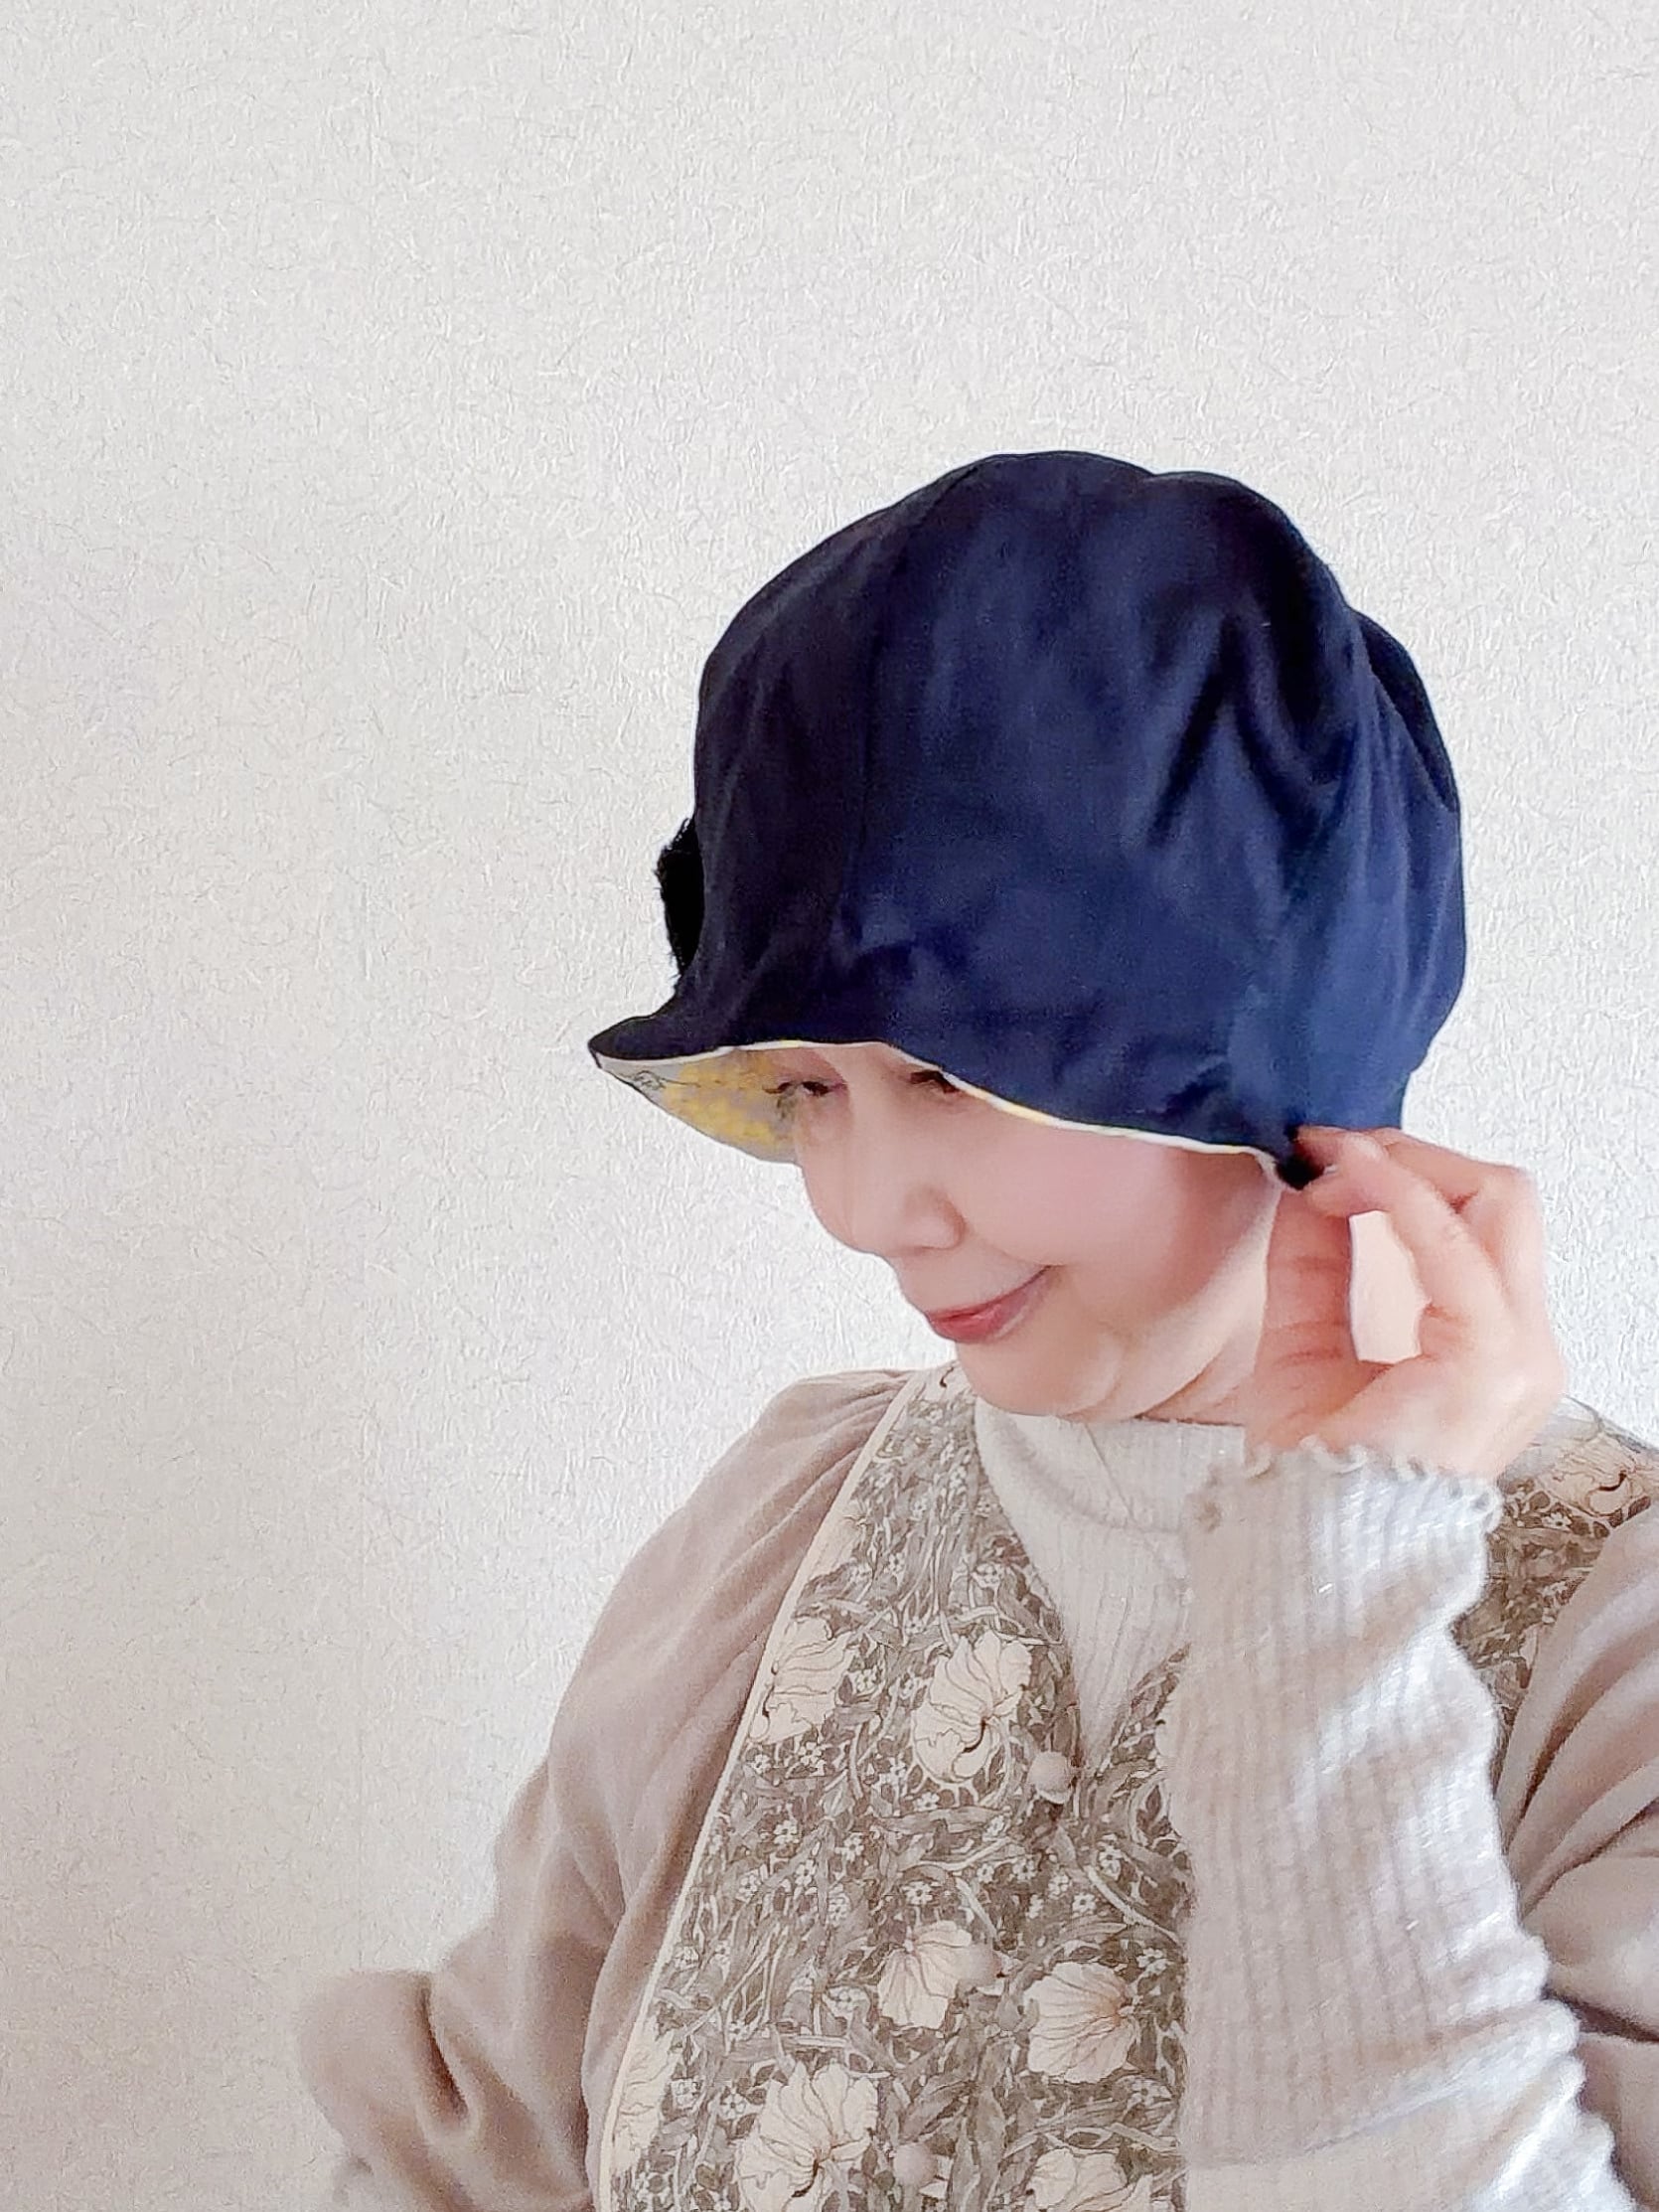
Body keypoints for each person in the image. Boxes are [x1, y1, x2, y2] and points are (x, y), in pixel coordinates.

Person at [296, 451, 1659, 2211]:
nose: (862, 1208)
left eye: (947, 1075)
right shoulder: (786, 1521)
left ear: (1280, 1035)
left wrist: (1335, 1591)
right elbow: (467, 2156)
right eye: (808, 1084)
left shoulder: (1611, 1648)